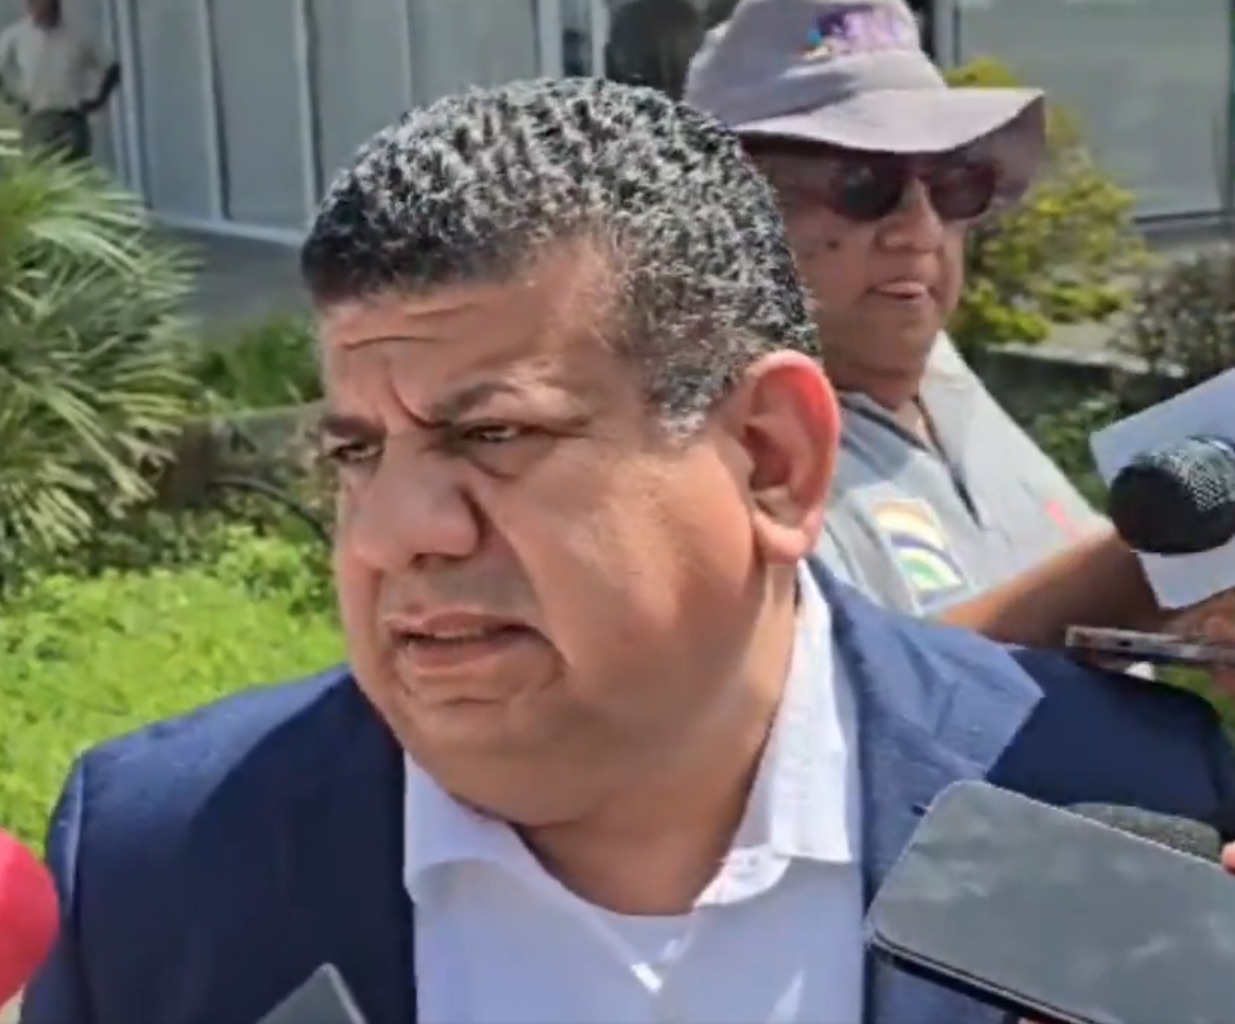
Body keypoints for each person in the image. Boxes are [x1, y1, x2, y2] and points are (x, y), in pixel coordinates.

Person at [20, 77, 1235, 1024]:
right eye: (356, 452)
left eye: (492, 435)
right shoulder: (160, 858)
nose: (394, 534)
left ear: (767, 458)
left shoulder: (1108, 800)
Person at [682, 0, 1211, 649]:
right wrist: (1157, 555)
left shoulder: (928, 374)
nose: (922, 229)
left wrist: (1195, 612)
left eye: (954, 184)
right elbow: (847, 691)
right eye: (863, 183)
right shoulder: (708, 454)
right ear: (726, 216)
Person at [0, 0, 119, 162]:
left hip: (71, 119)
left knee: (75, 169)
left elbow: (111, 66)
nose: (43, 12)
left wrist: (99, 100)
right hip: (37, 118)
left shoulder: (77, 35)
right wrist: (11, 99)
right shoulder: (16, 36)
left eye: (49, 6)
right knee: (40, 169)